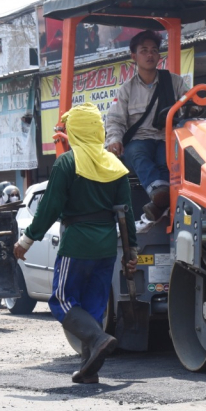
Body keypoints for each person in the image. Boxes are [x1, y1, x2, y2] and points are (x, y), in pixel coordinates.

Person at [14, 103, 137, 384]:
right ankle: (88, 368)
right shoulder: (116, 165)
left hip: (77, 243)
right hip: (107, 246)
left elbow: (50, 208)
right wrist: (133, 252)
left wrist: (26, 239)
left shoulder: (67, 162)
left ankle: (97, 338)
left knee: (62, 299)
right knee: (92, 306)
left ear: (75, 130)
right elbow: (127, 213)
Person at [105, 30, 190, 222]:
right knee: (137, 153)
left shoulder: (174, 82)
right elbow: (115, 120)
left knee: (166, 158)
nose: (149, 55)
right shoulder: (126, 89)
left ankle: (159, 202)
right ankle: (159, 194)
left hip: (166, 138)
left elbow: (190, 105)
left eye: (153, 50)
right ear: (133, 56)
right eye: (144, 50)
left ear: (159, 56)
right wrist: (115, 140)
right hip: (139, 140)